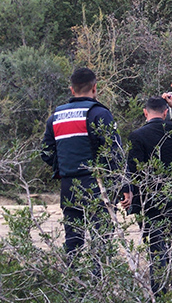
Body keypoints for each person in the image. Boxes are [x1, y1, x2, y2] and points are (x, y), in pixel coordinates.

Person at [122, 93, 172, 294]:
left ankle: (159, 292)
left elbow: (131, 169)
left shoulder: (137, 136)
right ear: (166, 112)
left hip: (147, 199)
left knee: (155, 246)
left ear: (145, 113)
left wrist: (127, 193)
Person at [41, 67, 122, 261]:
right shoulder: (99, 113)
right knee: (101, 240)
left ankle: (73, 289)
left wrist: (63, 166)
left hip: (69, 187)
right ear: (95, 88)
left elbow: (45, 152)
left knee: (73, 242)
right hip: (97, 185)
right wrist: (121, 184)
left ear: (72, 89)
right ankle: (99, 287)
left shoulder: (56, 117)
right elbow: (115, 153)